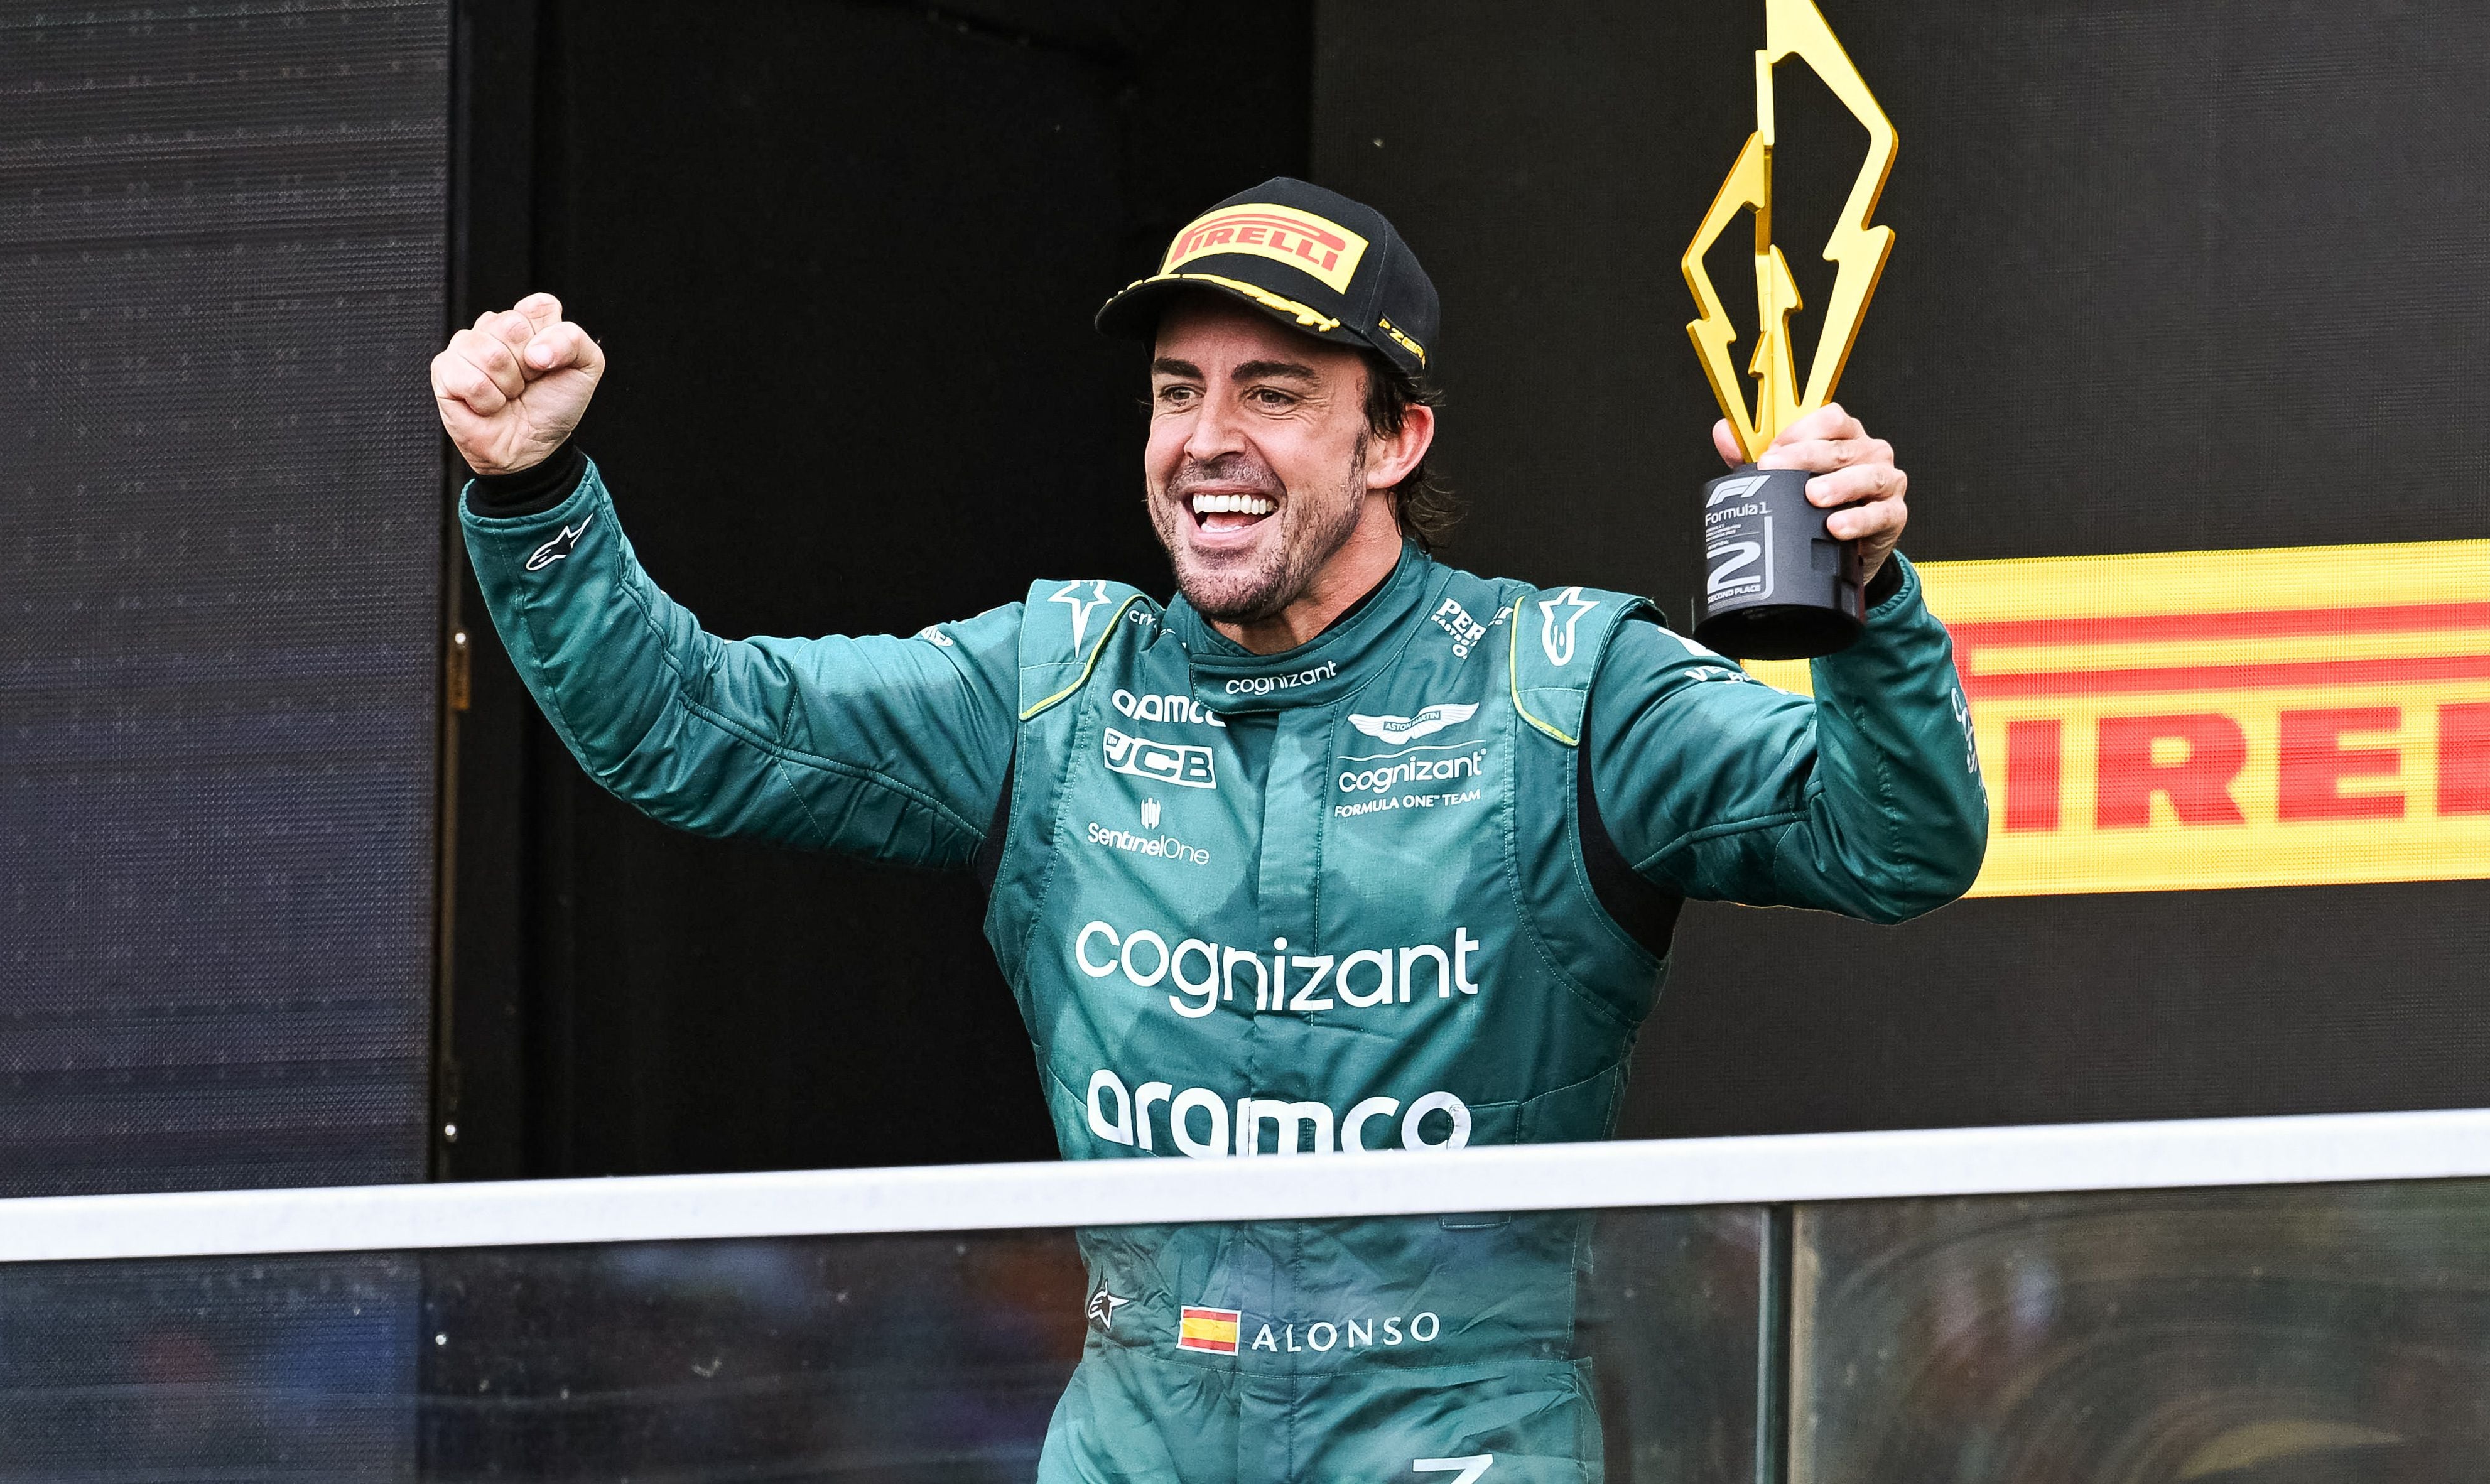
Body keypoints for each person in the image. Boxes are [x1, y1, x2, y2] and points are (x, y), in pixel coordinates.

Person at [431, 178, 1986, 1482]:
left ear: (1394, 439)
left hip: (1454, 1440)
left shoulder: (1566, 685)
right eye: (1179, 391)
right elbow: (686, 729)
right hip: (1140, 1439)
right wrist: (533, 492)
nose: (1206, 440)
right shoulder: (1049, 685)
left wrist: (1868, 606)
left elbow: (1893, 838)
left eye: (1274, 393)